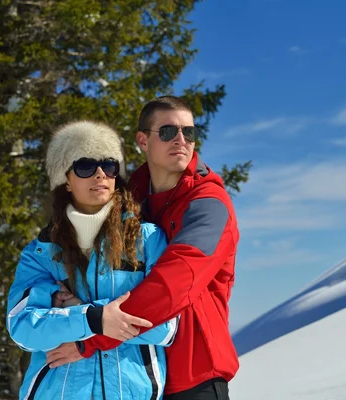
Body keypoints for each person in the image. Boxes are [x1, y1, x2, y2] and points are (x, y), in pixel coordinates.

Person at [53, 96, 240, 399]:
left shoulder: (209, 205)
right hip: (137, 376)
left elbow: (174, 284)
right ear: (142, 140)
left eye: (188, 132)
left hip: (193, 376)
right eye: (167, 132)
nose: (181, 140)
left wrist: (92, 333)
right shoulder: (128, 197)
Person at [6, 120, 179, 400]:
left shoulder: (147, 240)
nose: (100, 174)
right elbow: (23, 328)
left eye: (108, 166)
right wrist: (95, 318)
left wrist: (78, 311)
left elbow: (166, 325)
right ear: (66, 181)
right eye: (85, 166)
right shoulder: (41, 253)